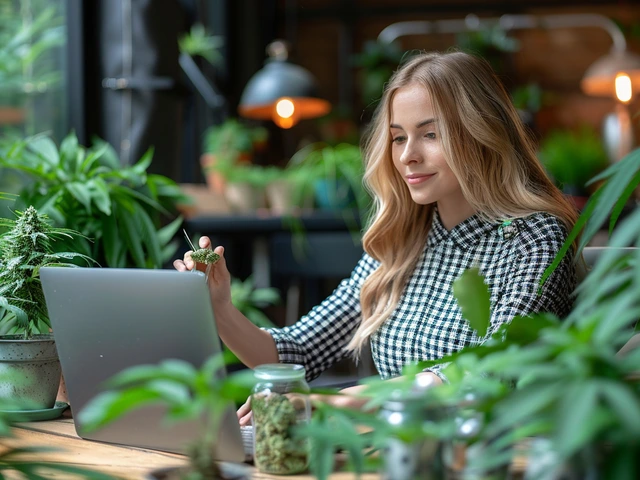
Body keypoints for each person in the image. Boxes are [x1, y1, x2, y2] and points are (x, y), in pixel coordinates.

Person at [174, 50, 579, 423]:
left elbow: (491, 372)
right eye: (399, 136)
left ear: (480, 133)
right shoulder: (401, 241)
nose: (406, 156)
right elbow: (297, 351)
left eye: (430, 134)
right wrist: (220, 308)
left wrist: (341, 402)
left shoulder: (533, 237)